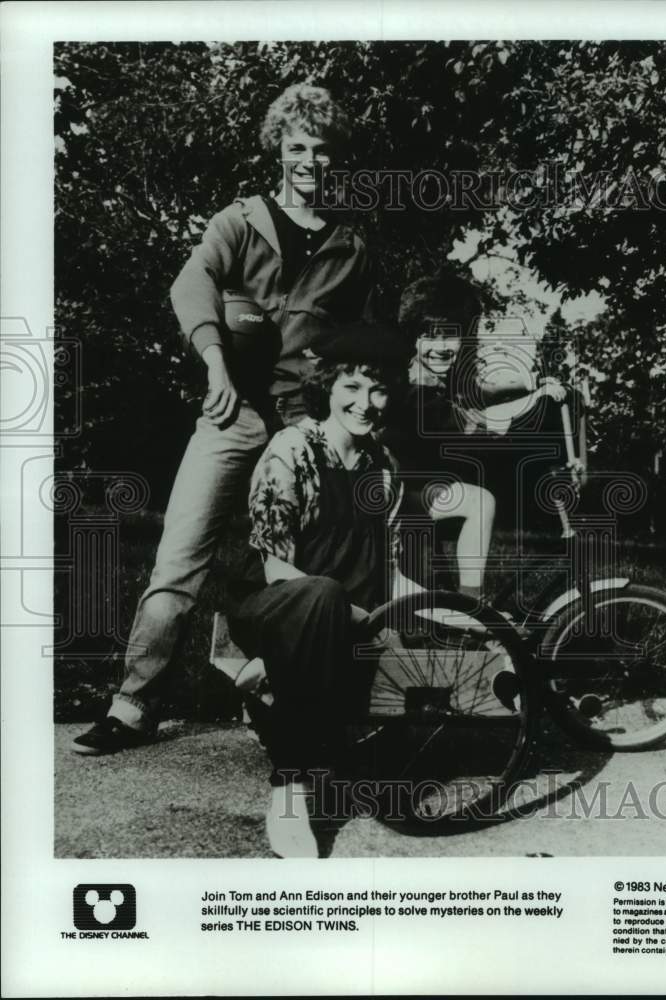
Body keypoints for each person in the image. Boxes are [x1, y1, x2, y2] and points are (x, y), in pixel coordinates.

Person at [72, 83, 373, 755]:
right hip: (231, 415)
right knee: (179, 560)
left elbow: (353, 347)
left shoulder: (351, 248)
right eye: (297, 146)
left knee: (306, 569)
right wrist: (214, 364)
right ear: (277, 150)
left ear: (336, 160)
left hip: (303, 427)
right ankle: (133, 706)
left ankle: (287, 698)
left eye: (322, 150)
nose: (310, 161)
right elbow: (192, 283)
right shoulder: (240, 220)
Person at [225, 324, 411, 857]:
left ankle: (271, 677)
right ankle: (289, 793)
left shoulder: (383, 468)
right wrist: (348, 613)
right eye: (351, 388)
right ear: (328, 388)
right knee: (322, 595)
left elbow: (393, 567)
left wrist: (459, 613)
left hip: (347, 614)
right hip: (276, 603)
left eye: (377, 390)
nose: (365, 403)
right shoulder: (294, 448)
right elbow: (273, 564)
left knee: (342, 605)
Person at [384, 274, 497, 600]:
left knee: (476, 500)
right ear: (411, 337)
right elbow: (460, 420)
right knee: (480, 502)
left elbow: (482, 395)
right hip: (386, 494)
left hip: (412, 488)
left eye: (452, 336)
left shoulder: (439, 381)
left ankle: (465, 601)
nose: (442, 347)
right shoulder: (408, 384)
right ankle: (471, 603)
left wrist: (531, 389)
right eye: (429, 337)